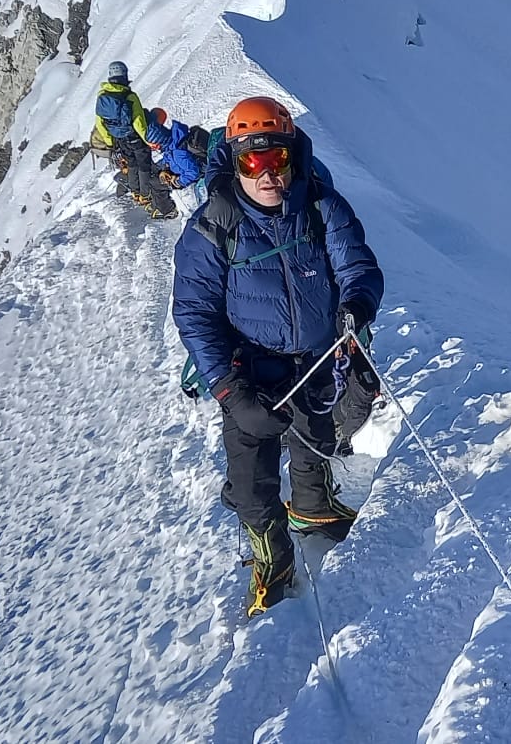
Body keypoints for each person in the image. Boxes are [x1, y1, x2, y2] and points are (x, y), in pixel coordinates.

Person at [171, 95, 383, 615]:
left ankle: (311, 506)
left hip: (315, 355)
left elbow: (357, 265)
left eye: (277, 159)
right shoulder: (214, 226)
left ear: (293, 156)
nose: (268, 174)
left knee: (314, 436)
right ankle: (271, 552)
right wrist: (228, 389)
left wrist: (355, 308)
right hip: (249, 368)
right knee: (251, 476)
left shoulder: (320, 206)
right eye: (253, 161)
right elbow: (194, 313)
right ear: (237, 161)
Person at [93, 61, 177, 220]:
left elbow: (100, 123)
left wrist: (111, 142)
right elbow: (139, 121)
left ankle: (136, 193)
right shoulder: (130, 97)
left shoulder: (102, 96)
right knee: (143, 166)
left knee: (131, 165)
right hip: (135, 138)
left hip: (119, 139)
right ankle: (144, 194)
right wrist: (147, 139)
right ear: (125, 75)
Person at [146, 107, 210, 191]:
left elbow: (193, 173)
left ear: (158, 144)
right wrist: (165, 169)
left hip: (204, 173)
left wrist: (178, 182)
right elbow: (168, 157)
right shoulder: (172, 144)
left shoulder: (178, 153)